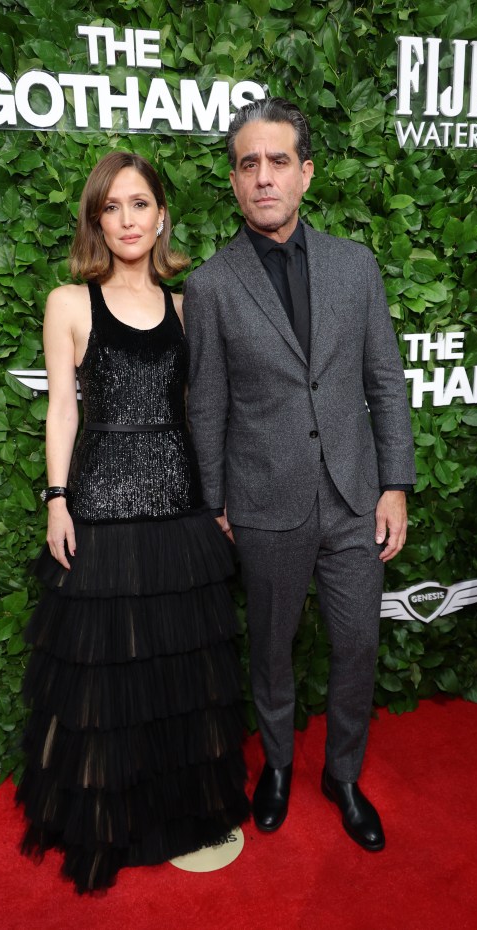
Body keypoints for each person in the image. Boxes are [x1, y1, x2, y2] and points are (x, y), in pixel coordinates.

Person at [183, 98, 416, 852]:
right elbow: (208, 402)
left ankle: (342, 775)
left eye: (278, 160)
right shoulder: (215, 284)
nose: (263, 177)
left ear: (306, 173)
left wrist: (395, 485)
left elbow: (386, 381)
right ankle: (278, 767)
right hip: (262, 502)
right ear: (233, 180)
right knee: (272, 649)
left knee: (356, 646)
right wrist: (215, 501)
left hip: (355, 497)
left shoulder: (356, 265)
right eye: (248, 163)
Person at [16, 151, 249, 893]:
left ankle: (177, 811)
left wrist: (217, 502)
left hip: (178, 515)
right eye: (111, 207)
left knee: (178, 677)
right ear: (96, 220)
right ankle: (111, 820)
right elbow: (62, 407)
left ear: (160, 216)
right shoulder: (69, 303)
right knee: (108, 682)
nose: (126, 220)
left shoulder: (188, 309)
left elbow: (200, 415)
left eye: (139, 204)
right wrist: (56, 497)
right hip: (101, 514)